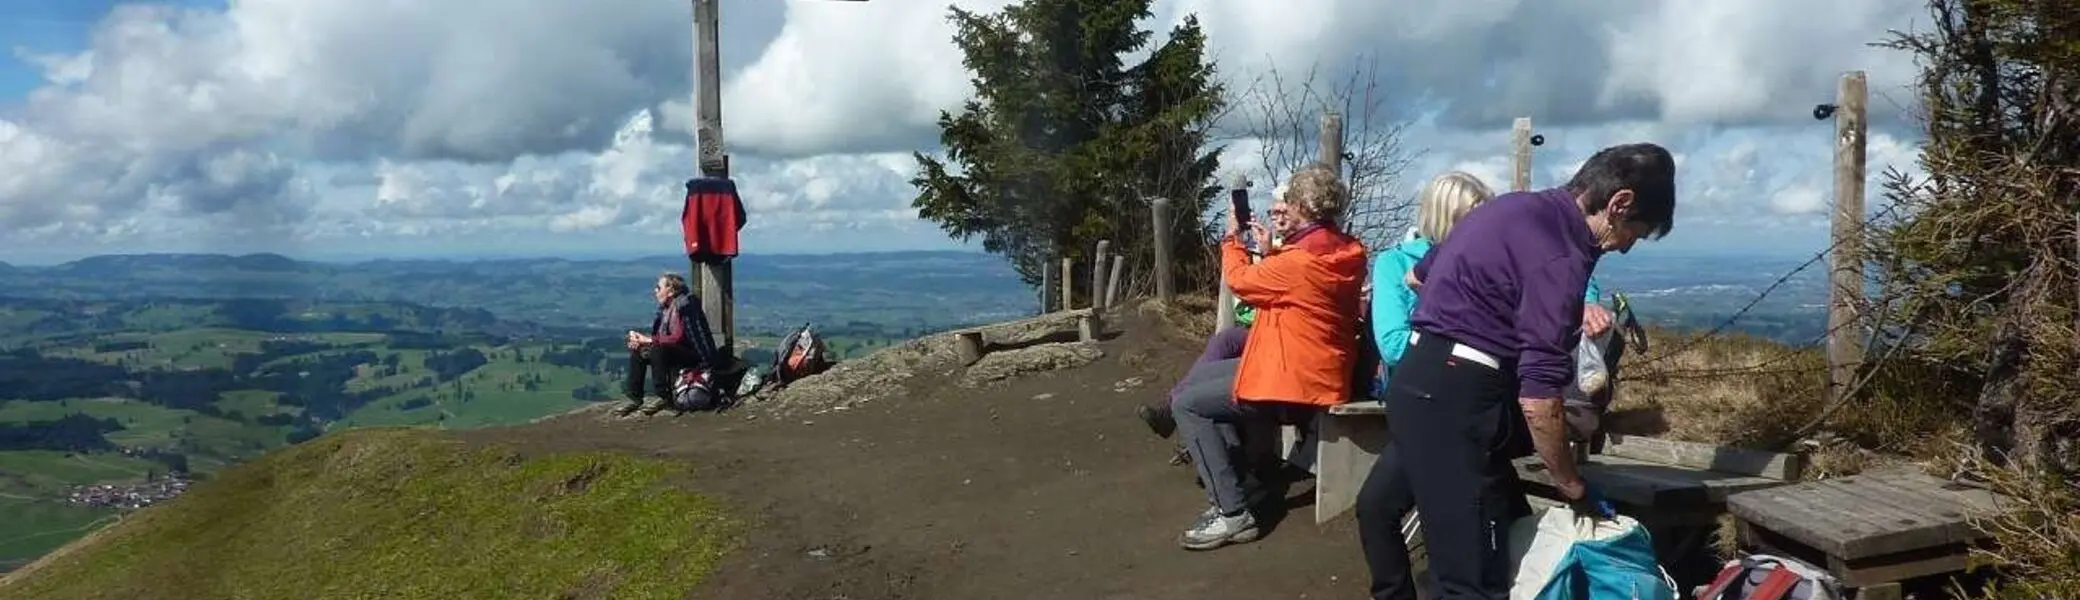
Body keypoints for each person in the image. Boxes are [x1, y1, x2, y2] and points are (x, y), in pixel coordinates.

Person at [1359, 144, 1677, 599]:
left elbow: (1420, 275)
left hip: (1417, 379)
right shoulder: (1561, 258)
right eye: (1636, 231)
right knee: (1471, 580)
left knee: (1382, 509)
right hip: (1462, 397)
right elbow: (1539, 399)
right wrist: (1570, 484)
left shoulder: (1509, 208)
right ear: (1619, 203)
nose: (1626, 246)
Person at [1168, 164, 1368, 551]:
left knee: (1189, 405)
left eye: (1289, 201)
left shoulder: (1297, 262)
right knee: (1197, 382)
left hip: (1293, 380)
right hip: (1312, 366)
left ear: (1304, 207)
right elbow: (1302, 289)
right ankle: (1244, 482)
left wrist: (1232, 238)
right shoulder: (1345, 250)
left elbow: (1243, 282)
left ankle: (1232, 512)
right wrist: (1271, 250)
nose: (1284, 207)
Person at [618, 272, 722, 417]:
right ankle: (635, 397)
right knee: (640, 352)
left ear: (671, 291)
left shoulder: (685, 306)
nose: (655, 291)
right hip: (677, 351)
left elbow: (676, 338)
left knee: (658, 349)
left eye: (658, 287)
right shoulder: (666, 310)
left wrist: (648, 341)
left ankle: (663, 397)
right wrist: (640, 341)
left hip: (695, 356)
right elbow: (661, 338)